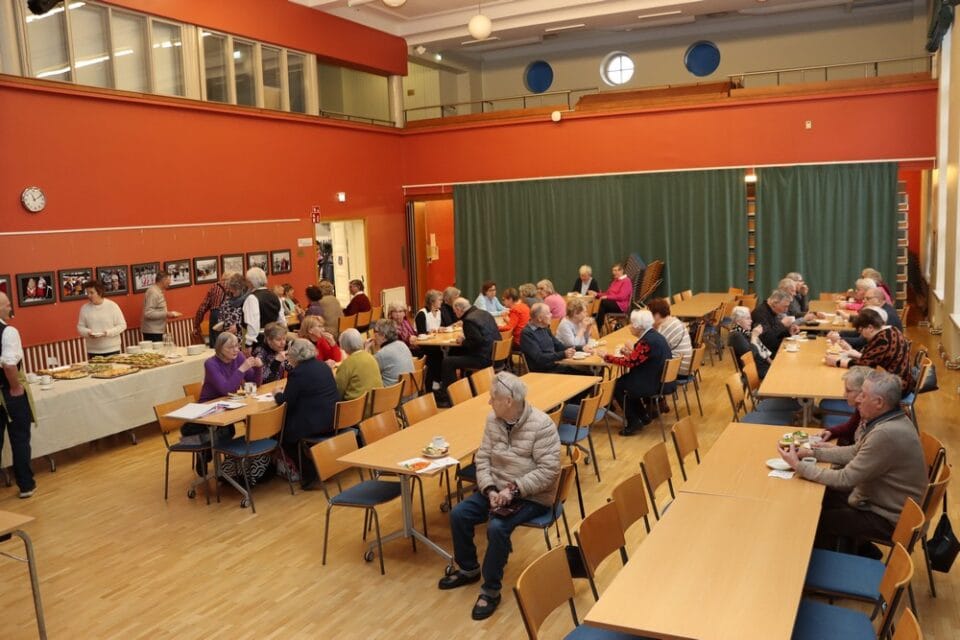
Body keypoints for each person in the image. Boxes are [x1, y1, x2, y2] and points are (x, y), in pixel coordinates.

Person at [438, 372, 560, 621]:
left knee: (497, 527)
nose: (489, 402)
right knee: (459, 514)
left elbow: (548, 472)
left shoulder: (542, 424)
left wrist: (513, 490)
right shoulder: (493, 420)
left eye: (492, 398)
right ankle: (469, 569)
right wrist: (490, 489)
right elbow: (482, 458)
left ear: (508, 401)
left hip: (531, 495)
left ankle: (491, 590)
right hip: (497, 489)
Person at [779, 370, 927, 551]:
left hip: (890, 519)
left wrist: (798, 466)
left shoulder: (886, 434)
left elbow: (845, 479)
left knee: (816, 519)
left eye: (863, 395)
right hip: (881, 500)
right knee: (821, 498)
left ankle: (840, 559)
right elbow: (855, 452)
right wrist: (812, 453)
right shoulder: (892, 420)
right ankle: (857, 549)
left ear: (879, 402)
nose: (858, 399)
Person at [179, 333, 263, 475]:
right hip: (208, 407)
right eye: (230, 347)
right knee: (221, 431)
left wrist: (258, 368)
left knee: (232, 430)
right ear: (219, 348)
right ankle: (206, 450)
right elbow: (225, 389)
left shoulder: (238, 357)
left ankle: (212, 450)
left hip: (228, 405)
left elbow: (255, 383)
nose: (235, 350)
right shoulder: (211, 363)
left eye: (237, 346)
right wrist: (242, 369)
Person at [274, 338, 339, 488]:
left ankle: (310, 473)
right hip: (333, 417)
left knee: (283, 435)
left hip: (315, 423)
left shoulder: (297, 373)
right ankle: (315, 466)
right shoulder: (323, 366)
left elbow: (286, 402)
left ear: (295, 356)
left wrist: (276, 394)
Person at [601, 309, 672, 436]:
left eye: (632, 324)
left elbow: (630, 363)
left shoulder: (646, 342)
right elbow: (640, 358)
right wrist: (630, 353)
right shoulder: (654, 336)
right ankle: (643, 416)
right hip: (659, 378)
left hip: (653, 382)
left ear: (639, 327)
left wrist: (607, 357)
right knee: (624, 382)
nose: (630, 327)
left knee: (618, 385)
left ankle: (633, 421)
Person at [825, 308, 913, 392]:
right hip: (897, 381)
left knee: (849, 386)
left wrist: (837, 362)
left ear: (870, 328)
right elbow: (872, 358)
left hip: (895, 388)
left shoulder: (883, 340)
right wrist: (853, 352)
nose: (862, 335)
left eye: (861, 331)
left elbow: (864, 366)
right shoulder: (892, 330)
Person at [0, 292, 36, 498]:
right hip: (8, 392)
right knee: (20, 438)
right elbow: (9, 364)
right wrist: (15, 387)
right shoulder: (8, 331)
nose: (10, 307)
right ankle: (25, 485)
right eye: (6, 305)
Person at [440, 298, 501, 393]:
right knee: (456, 353)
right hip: (497, 356)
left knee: (448, 361)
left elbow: (476, 342)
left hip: (484, 359)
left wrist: (463, 341)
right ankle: (469, 386)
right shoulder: (484, 313)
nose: (455, 314)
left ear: (459, 309)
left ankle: (450, 394)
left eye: (455, 312)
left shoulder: (469, 320)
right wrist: (467, 340)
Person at [817, 366, 872, 446]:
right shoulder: (861, 408)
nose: (844, 395)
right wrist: (831, 432)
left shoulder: (873, 420)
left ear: (863, 393)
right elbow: (851, 427)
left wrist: (833, 448)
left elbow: (859, 450)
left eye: (848, 391)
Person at [520, 303, 577, 373]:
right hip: (542, 372)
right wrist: (563, 354)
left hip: (553, 365)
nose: (551, 315)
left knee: (585, 373)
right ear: (540, 318)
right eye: (548, 313)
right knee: (581, 375)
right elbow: (539, 358)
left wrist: (579, 349)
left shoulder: (545, 328)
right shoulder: (527, 333)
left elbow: (559, 345)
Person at [77, 280, 127, 357]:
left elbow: (122, 325)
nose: (89, 295)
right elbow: (80, 327)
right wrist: (88, 333)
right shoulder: (84, 308)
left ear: (99, 293)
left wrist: (107, 333)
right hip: (93, 350)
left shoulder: (112, 306)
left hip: (112, 349)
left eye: (91, 293)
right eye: (87, 293)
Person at [242, 267, 286, 351]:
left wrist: (248, 343)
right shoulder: (275, 296)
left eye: (247, 281)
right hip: (274, 338)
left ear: (251, 283)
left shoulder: (252, 298)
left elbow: (253, 323)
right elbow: (281, 320)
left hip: (259, 340)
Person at [648, 297, 692, 375]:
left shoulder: (665, 327)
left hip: (677, 370)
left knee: (644, 366)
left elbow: (652, 350)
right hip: (685, 365)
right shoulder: (674, 320)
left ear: (657, 315)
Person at [335, 328, 382, 400]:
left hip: (356, 405)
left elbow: (338, 392)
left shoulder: (346, 364)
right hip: (377, 402)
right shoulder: (371, 357)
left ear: (344, 346)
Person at [727, 306, 773, 378]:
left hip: (762, 366)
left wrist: (772, 363)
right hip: (754, 371)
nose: (751, 321)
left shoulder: (745, 332)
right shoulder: (735, 335)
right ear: (738, 321)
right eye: (748, 318)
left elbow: (763, 351)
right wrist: (754, 336)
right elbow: (750, 355)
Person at [751, 289, 798, 355]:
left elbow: (776, 334)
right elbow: (766, 340)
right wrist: (782, 324)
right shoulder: (760, 313)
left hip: (776, 349)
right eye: (785, 306)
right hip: (767, 354)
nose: (786, 310)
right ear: (774, 303)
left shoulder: (773, 311)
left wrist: (789, 332)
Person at [370, 319, 414, 386]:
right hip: (409, 389)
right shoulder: (402, 344)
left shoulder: (382, 354)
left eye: (375, 331)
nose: (373, 335)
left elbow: (367, 370)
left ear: (383, 336)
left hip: (391, 392)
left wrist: (365, 350)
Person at [193, 271, 232, 348]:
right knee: (229, 343)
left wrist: (196, 325)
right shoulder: (234, 288)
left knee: (215, 345)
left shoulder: (214, 287)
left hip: (215, 315)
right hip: (229, 316)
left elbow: (202, 308)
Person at [141, 271, 179, 342]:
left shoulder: (157, 291)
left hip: (156, 331)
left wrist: (167, 314)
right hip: (152, 332)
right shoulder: (153, 292)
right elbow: (148, 313)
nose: (170, 282)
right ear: (163, 280)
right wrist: (166, 314)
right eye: (168, 280)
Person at [213, 271, 248, 343]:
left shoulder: (248, 300)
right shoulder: (227, 299)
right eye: (230, 288)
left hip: (242, 338)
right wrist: (221, 324)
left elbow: (251, 322)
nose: (231, 291)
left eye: (234, 289)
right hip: (228, 338)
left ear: (241, 288)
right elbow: (221, 314)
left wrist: (238, 327)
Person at [597, 263, 632, 327]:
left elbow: (621, 297)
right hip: (612, 304)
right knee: (597, 302)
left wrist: (607, 297)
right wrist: (596, 294)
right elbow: (607, 293)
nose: (614, 272)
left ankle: (598, 327)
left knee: (602, 303)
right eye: (613, 270)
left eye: (616, 270)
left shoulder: (626, 281)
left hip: (620, 306)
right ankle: (598, 326)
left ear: (621, 271)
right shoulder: (615, 281)